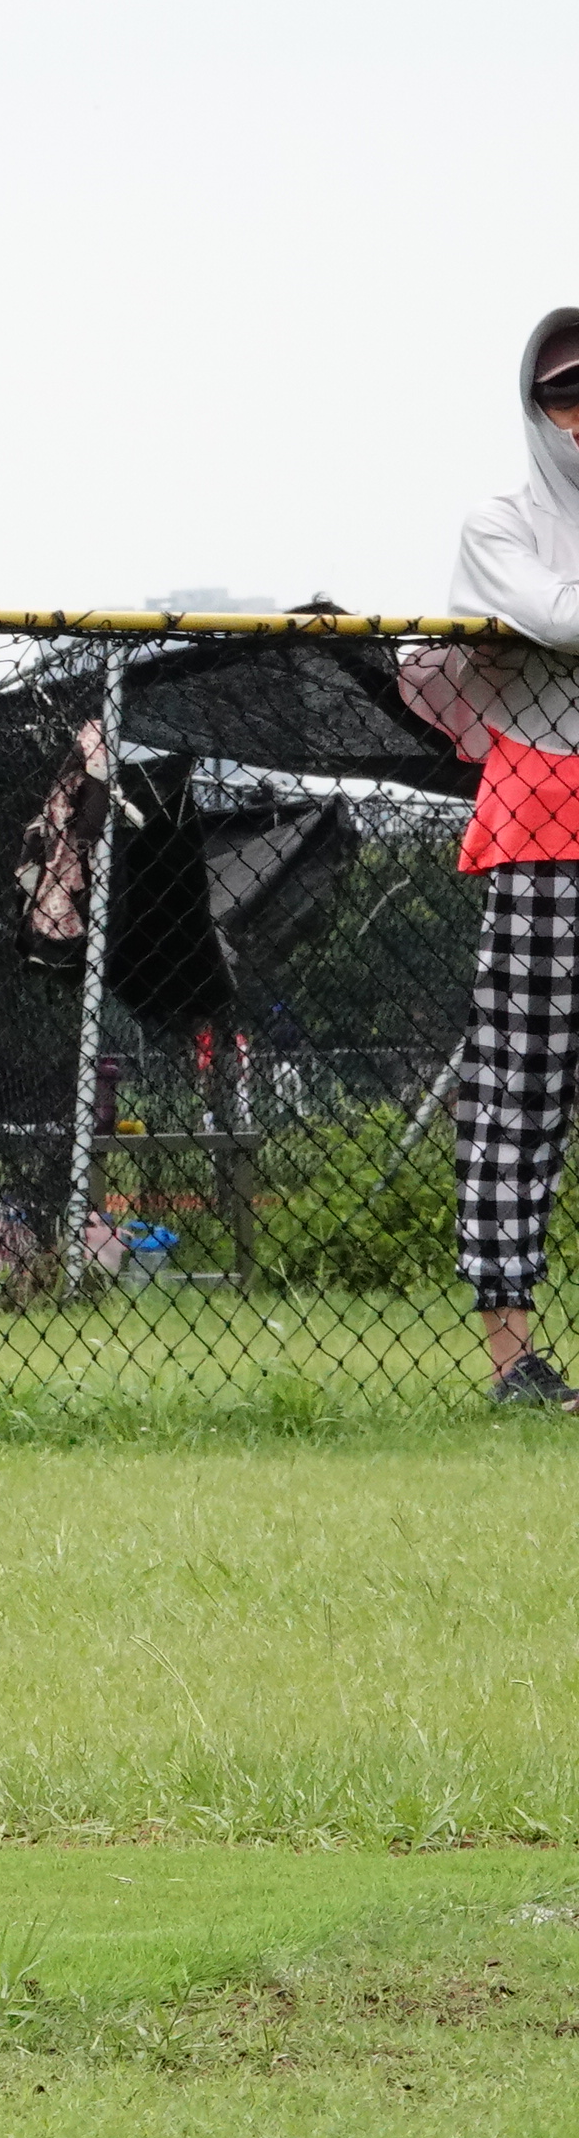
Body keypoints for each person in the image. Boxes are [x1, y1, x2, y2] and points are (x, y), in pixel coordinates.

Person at [434, 307, 579, 1410]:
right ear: (534, 409)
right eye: (564, 396)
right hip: (542, 822)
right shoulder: (502, 522)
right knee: (519, 1089)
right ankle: (511, 1361)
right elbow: (554, 617)